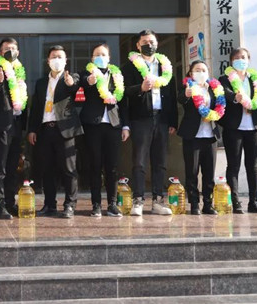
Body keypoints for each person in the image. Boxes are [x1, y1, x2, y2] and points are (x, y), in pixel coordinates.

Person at [122, 29, 178, 216]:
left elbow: (171, 95)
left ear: (157, 44)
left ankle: (158, 201)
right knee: (139, 161)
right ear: (138, 45)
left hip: (161, 118)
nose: (149, 45)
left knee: (160, 161)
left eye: (152, 41)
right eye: (145, 42)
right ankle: (138, 199)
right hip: (140, 118)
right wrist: (141, 88)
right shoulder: (129, 67)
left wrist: (172, 121)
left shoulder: (165, 66)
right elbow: (123, 93)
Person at [27, 45, 83, 218]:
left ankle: (70, 205)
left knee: (68, 169)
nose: (56, 60)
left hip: (64, 130)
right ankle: (49, 205)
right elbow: (36, 108)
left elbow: (74, 88)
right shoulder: (41, 82)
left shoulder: (71, 78)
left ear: (65, 61)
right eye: (53, 57)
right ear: (48, 60)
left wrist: (71, 83)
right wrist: (32, 129)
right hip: (45, 130)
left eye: (60, 57)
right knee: (47, 169)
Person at [79, 43, 130, 217]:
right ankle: (96, 204)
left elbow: (123, 102)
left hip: (113, 125)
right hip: (93, 125)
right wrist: (89, 81)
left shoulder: (117, 75)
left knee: (112, 167)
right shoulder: (88, 73)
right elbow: (82, 82)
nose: (100, 57)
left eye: (103, 54)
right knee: (95, 165)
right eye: (97, 55)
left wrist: (125, 125)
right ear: (92, 58)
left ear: (109, 58)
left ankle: (112, 204)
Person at [219, 47, 257, 214]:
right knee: (233, 165)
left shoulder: (255, 79)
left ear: (249, 60)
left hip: (254, 127)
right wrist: (235, 97)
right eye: (237, 58)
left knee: (253, 166)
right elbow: (224, 93)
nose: (241, 60)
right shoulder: (225, 79)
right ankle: (235, 202)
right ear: (231, 61)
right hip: (233, 127)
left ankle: (254, 202)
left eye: (244, 57)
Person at [177, 60, 225, 215]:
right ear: (191, 73)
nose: (201, 73)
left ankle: (208, 204)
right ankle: (194, 204)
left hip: (210, 135)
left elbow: (220, 107)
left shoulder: (214, 88)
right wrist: (186, 95)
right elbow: (180, 99)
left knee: (209, 172)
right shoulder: (187, 86)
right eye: (197, 70)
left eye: (203, 70)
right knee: (192, 171)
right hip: (192, 135)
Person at [0, 38, 28, 219]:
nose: (10, 51)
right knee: (1, 167)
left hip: (17, 124)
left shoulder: (20, 71)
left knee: (13, 167)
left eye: (13, 48)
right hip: (3, 124)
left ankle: (11, 203)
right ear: (1, 52)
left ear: (18, 52)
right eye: (6, 48)